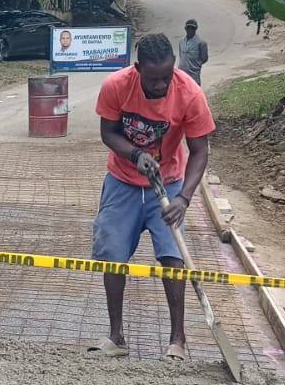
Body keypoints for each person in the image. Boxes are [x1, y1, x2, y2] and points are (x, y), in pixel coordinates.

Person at [89, 33, 215, 360]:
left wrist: (184, 198)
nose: (162, 85)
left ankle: (178, 341)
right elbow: (108, 132)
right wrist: (134, 155)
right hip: (122, 181)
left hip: (170, 182)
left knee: (173, 256)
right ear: (137, 69)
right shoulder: (116, 86)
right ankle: (116, 337)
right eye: (154, 78)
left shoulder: (189, 93)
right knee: (112, 252)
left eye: (167, 76)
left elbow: (200, 151)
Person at [179, 19, 209, 85]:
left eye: (192, 28)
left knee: (194, 93)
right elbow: (181, 55)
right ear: (185, 29)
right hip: (182, 73)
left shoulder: (201, 42)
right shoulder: (181, 42)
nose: (190, 30)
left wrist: (196, 65)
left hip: (194, 74)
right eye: (188, 28)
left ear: (195, 29)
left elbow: (204, 58)